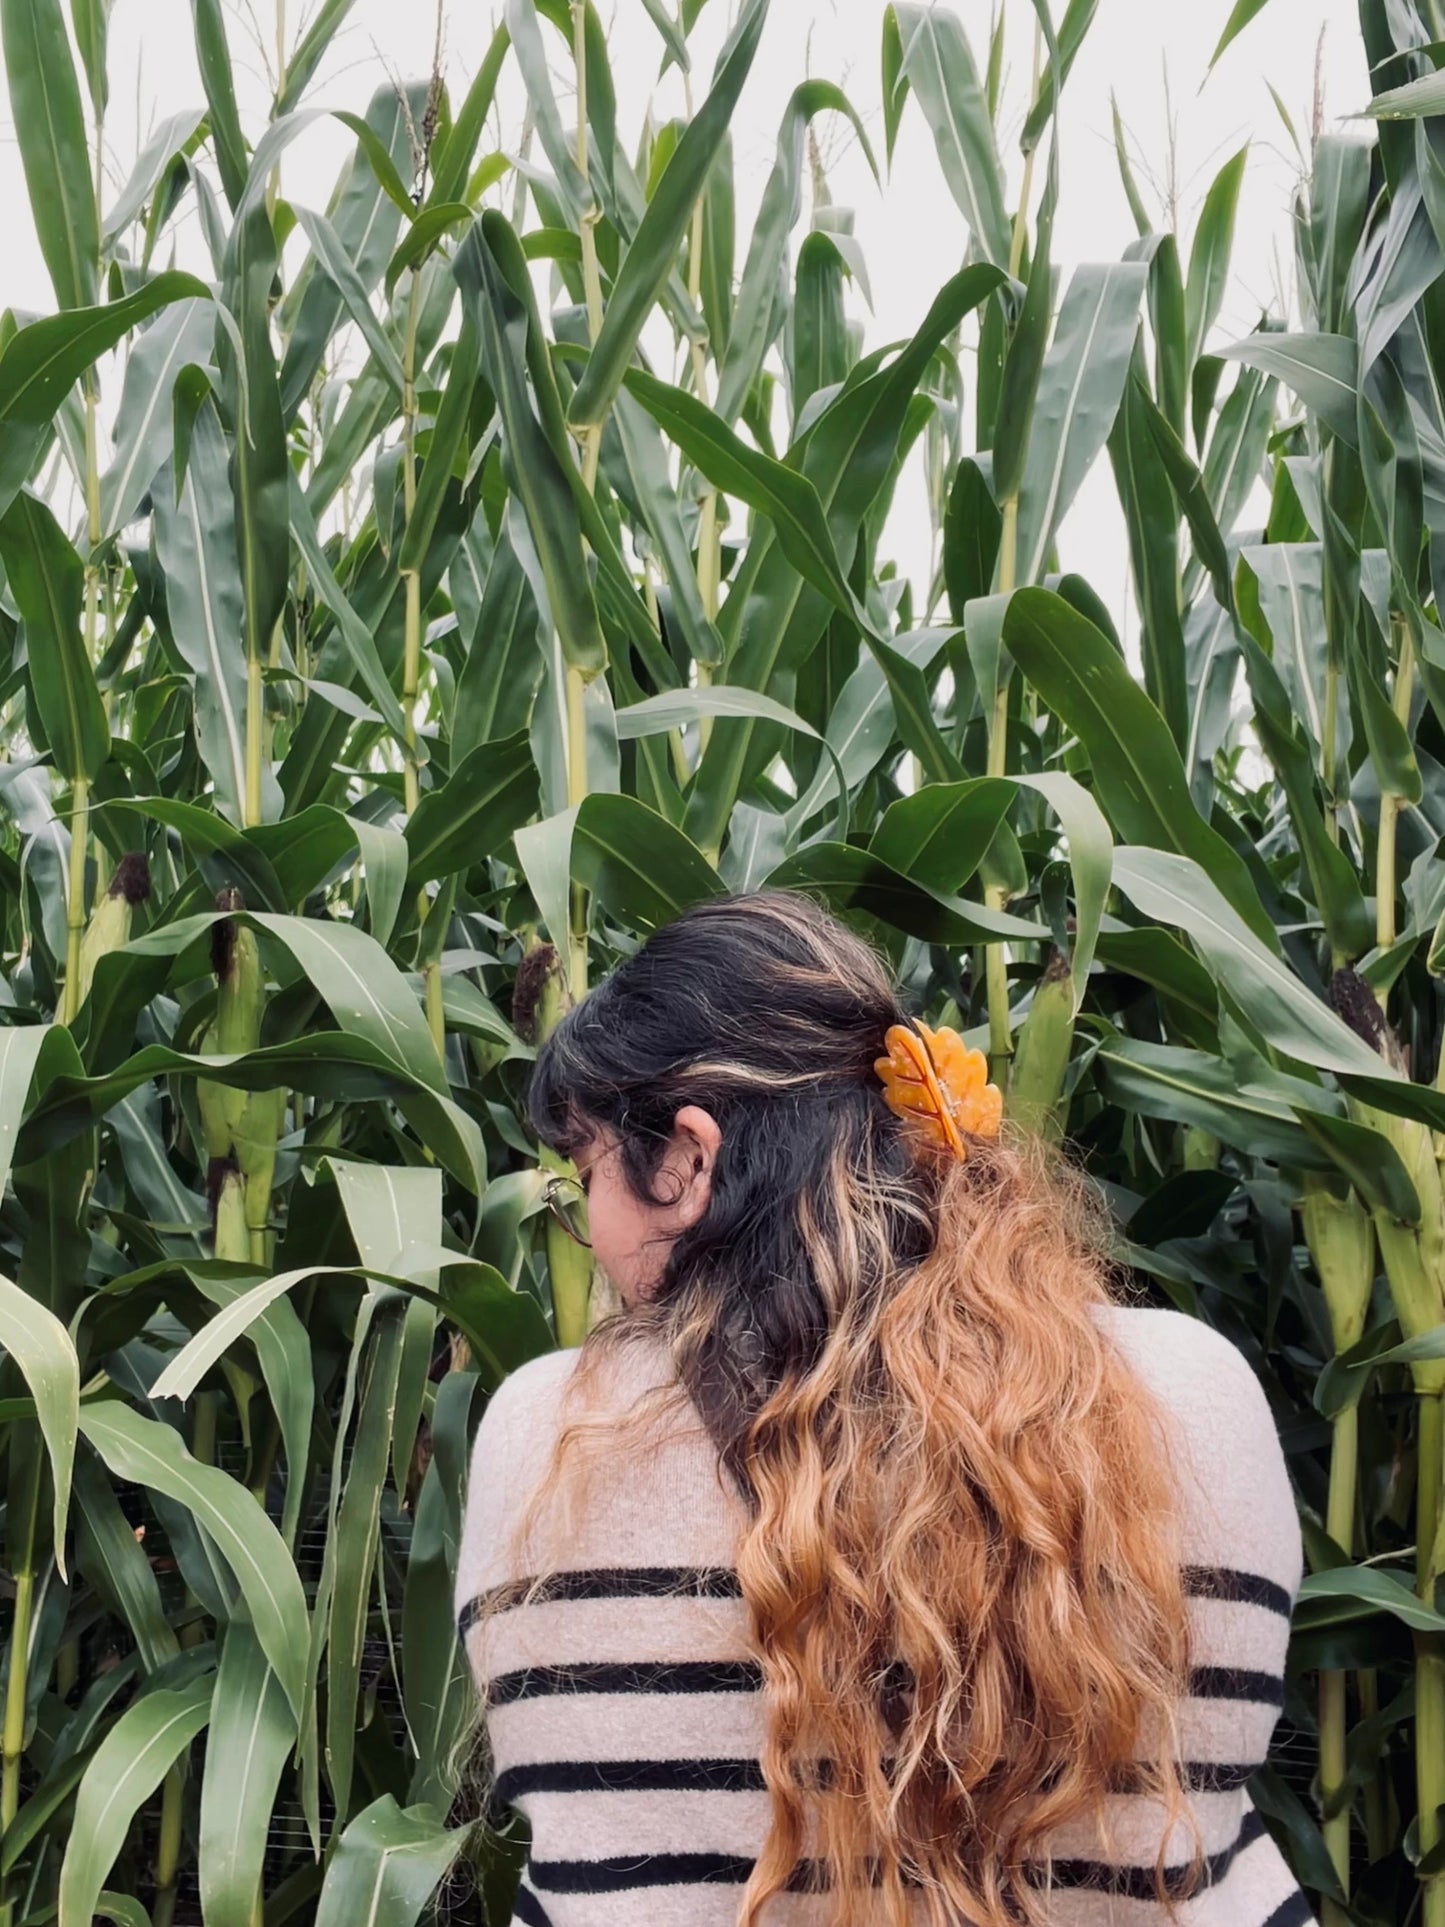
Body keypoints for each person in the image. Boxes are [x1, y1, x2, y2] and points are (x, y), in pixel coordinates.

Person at [454, 892, 1315, 1927]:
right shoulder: (1194, 1397)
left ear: (685, 1158)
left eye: (588, 1173)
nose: (587, 1228)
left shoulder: (549, 1440)